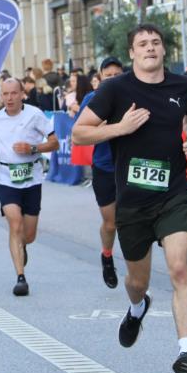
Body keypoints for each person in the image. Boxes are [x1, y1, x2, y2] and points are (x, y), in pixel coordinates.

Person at [72, 23, 187, 373]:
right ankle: (137, 308)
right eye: (142, 44)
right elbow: (79, 132)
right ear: (132, 53)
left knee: (179, 269)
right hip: (131, 201)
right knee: (137, 280)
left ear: (163, 50)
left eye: (156, 43)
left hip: (174, 193)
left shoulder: (183, 86)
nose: (150, 48)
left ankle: (185, 353)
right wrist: (119, 128)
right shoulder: (115, 89)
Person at [0, 78, 58, 296]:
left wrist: (32, 147)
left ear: (22, 94)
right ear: (0, 96)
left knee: (28, 234)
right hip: (7, 179)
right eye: (5, 94)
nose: (10, 98)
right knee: (15, 224)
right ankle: (21, 277)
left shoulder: (34, 114)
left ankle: (23, 246)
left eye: (14, 93)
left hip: (32, 178)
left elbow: (54, 143)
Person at [76, 56, 125, 288]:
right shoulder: (92, 99)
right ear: (100, 78)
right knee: (111, 223)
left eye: (118, 75)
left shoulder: (133, 95)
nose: (113, 79)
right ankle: (107, 256)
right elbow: (79, 133)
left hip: (131, 165)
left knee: (141, 214)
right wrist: (108, 128)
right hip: (105, 167)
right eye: (108, 76)